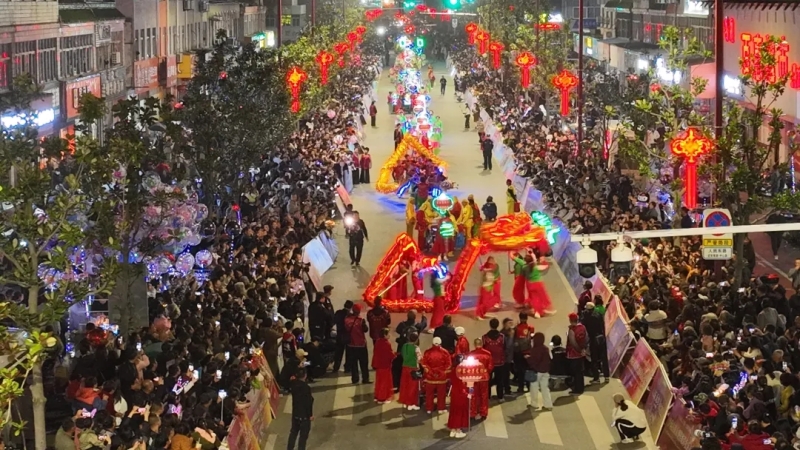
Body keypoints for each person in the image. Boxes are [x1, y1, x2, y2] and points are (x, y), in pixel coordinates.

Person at [581, 302, 609, 384]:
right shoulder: (599, 315)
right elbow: (603, 326)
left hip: (593, 339)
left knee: (594, 359)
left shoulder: (587, 317)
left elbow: (583, 325)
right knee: (604, 358)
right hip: (601, 338)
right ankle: (606, 376)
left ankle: (596, 378)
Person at [286, 369, 314, 450]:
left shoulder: (293, 384)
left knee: (293, 433)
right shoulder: (306, 388)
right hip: (304, 416)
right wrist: (310, 415)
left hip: (296, 414)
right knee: (303, 437)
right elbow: (308, 402)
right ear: (305, 375)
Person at [422, 337, 451, 413]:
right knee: (441, 394)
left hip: (430, 377)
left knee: (429, 394)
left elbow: (424, 363)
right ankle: (441, 408)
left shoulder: (427, 352)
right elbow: (448, 364)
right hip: (441, 377)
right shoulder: (445, 352)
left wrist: (430, 371)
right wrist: (442, 371)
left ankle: (429, 408)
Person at [482, 318, 508, 402]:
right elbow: (505, 348)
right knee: (500, 380)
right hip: (500, 362)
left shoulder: (485, 337)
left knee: (488, 380)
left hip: (488, 363)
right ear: (497, 325)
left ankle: (487, 397)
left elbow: (483, 349)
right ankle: (500, 397)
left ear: (490, 325)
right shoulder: (502, 337)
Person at [344, 304, 370, 384]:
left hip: (351, 345)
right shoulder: (361, 320)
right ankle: (365, 379)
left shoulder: (347, 319)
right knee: (364, 363)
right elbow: (365, 330)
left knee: (353, 364)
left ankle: (355, 379)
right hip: (361, 344)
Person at [527, 332, 553, 410]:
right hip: (545, 371)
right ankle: (548, 405)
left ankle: (534, 404)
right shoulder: (546, 349)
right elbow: (549, 359)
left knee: (534, 387)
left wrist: (528, 358)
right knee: (545, 388)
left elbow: (533, 361)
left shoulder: (534, 350)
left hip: (537, 372)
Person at [469, 338, 494, 419]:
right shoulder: (487, 354)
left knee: (473, 395)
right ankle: (483, 412)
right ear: (482, 344)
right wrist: (485, 372)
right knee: (484, 395)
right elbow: (490, 366)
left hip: (474, 378)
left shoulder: (471, 354)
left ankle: (473, 412)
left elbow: (468, 367)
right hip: (484, 378)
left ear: (474, 344)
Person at [399, 332, 422, 410]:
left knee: (405, 385)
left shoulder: (404, 346)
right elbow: (419, 359)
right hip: (413, 369)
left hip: (405, 367)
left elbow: (402, 354)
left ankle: (405, 402)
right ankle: (411, 403)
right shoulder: (416, 348)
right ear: (416, 339)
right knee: (413, 387)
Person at [447, 356, 469, 439]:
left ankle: (453, 429)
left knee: (454, 411)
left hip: (454, 393)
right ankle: (458, 430)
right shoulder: (461, 371)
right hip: (460, 394)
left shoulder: (453, 370)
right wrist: (467, 394)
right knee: (460, 412)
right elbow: (462, 385)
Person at [566, 312, 588, 395]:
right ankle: (581, 388)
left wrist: (579, 351)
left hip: (574, 354)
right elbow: (586, 338)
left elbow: (573, 343)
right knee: (580, 372)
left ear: (570, 320)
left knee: (576, 373)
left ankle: (577, 389)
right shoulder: (583, 327)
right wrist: (583, 349)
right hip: (581, 353)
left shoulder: (572, 330)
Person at [372, 328, 395, 404]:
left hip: (378, 365)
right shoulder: (387, 343)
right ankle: (382, 398)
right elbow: (390, 354)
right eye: (388, 333)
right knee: (384, 382)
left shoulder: (378, 342)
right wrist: (395, 355)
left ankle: (377, 396)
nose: (389, 335)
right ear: (385, 335)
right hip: (385, 365)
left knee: (379, 381)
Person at [513, 313, 534, 393]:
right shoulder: (530, 328)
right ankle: (529, 386)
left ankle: (521, 387)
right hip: (528, 351)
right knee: (528, 370)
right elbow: (532, 339)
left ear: (520, 318)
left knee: (520, 371)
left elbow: (514, 340)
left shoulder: (516, 328)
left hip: (518, 352)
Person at [332, 300, 354, 373]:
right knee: (349, 353)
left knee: (338, 353)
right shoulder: (350, 315)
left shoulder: (338, 313)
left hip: (340, 335)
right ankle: (347, 368)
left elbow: (333, 321)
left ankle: (336, 367)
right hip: (347, 336)